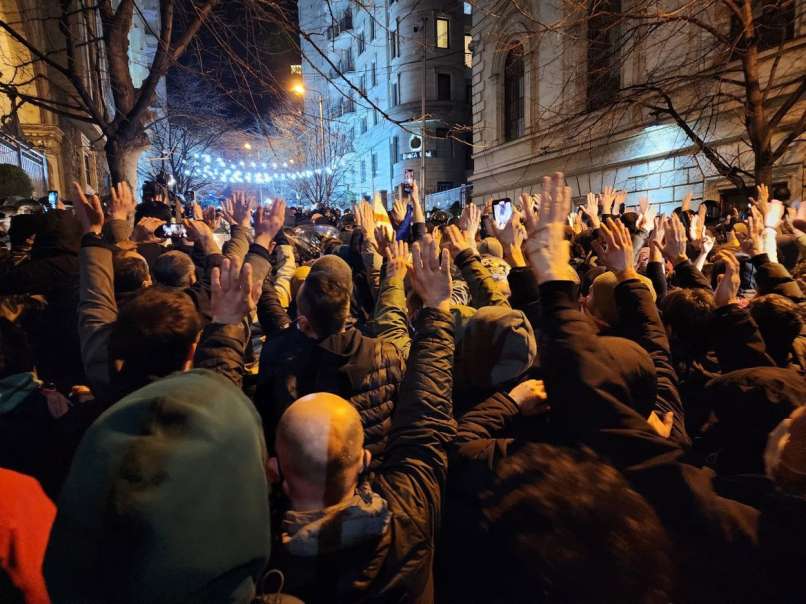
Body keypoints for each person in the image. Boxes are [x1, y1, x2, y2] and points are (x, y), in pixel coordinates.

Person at [267, 235, 456, 602]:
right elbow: (425, 422)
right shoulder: (410, 515)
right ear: (364, 459)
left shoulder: (254, 548)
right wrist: (437, 307)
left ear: (275, 469)